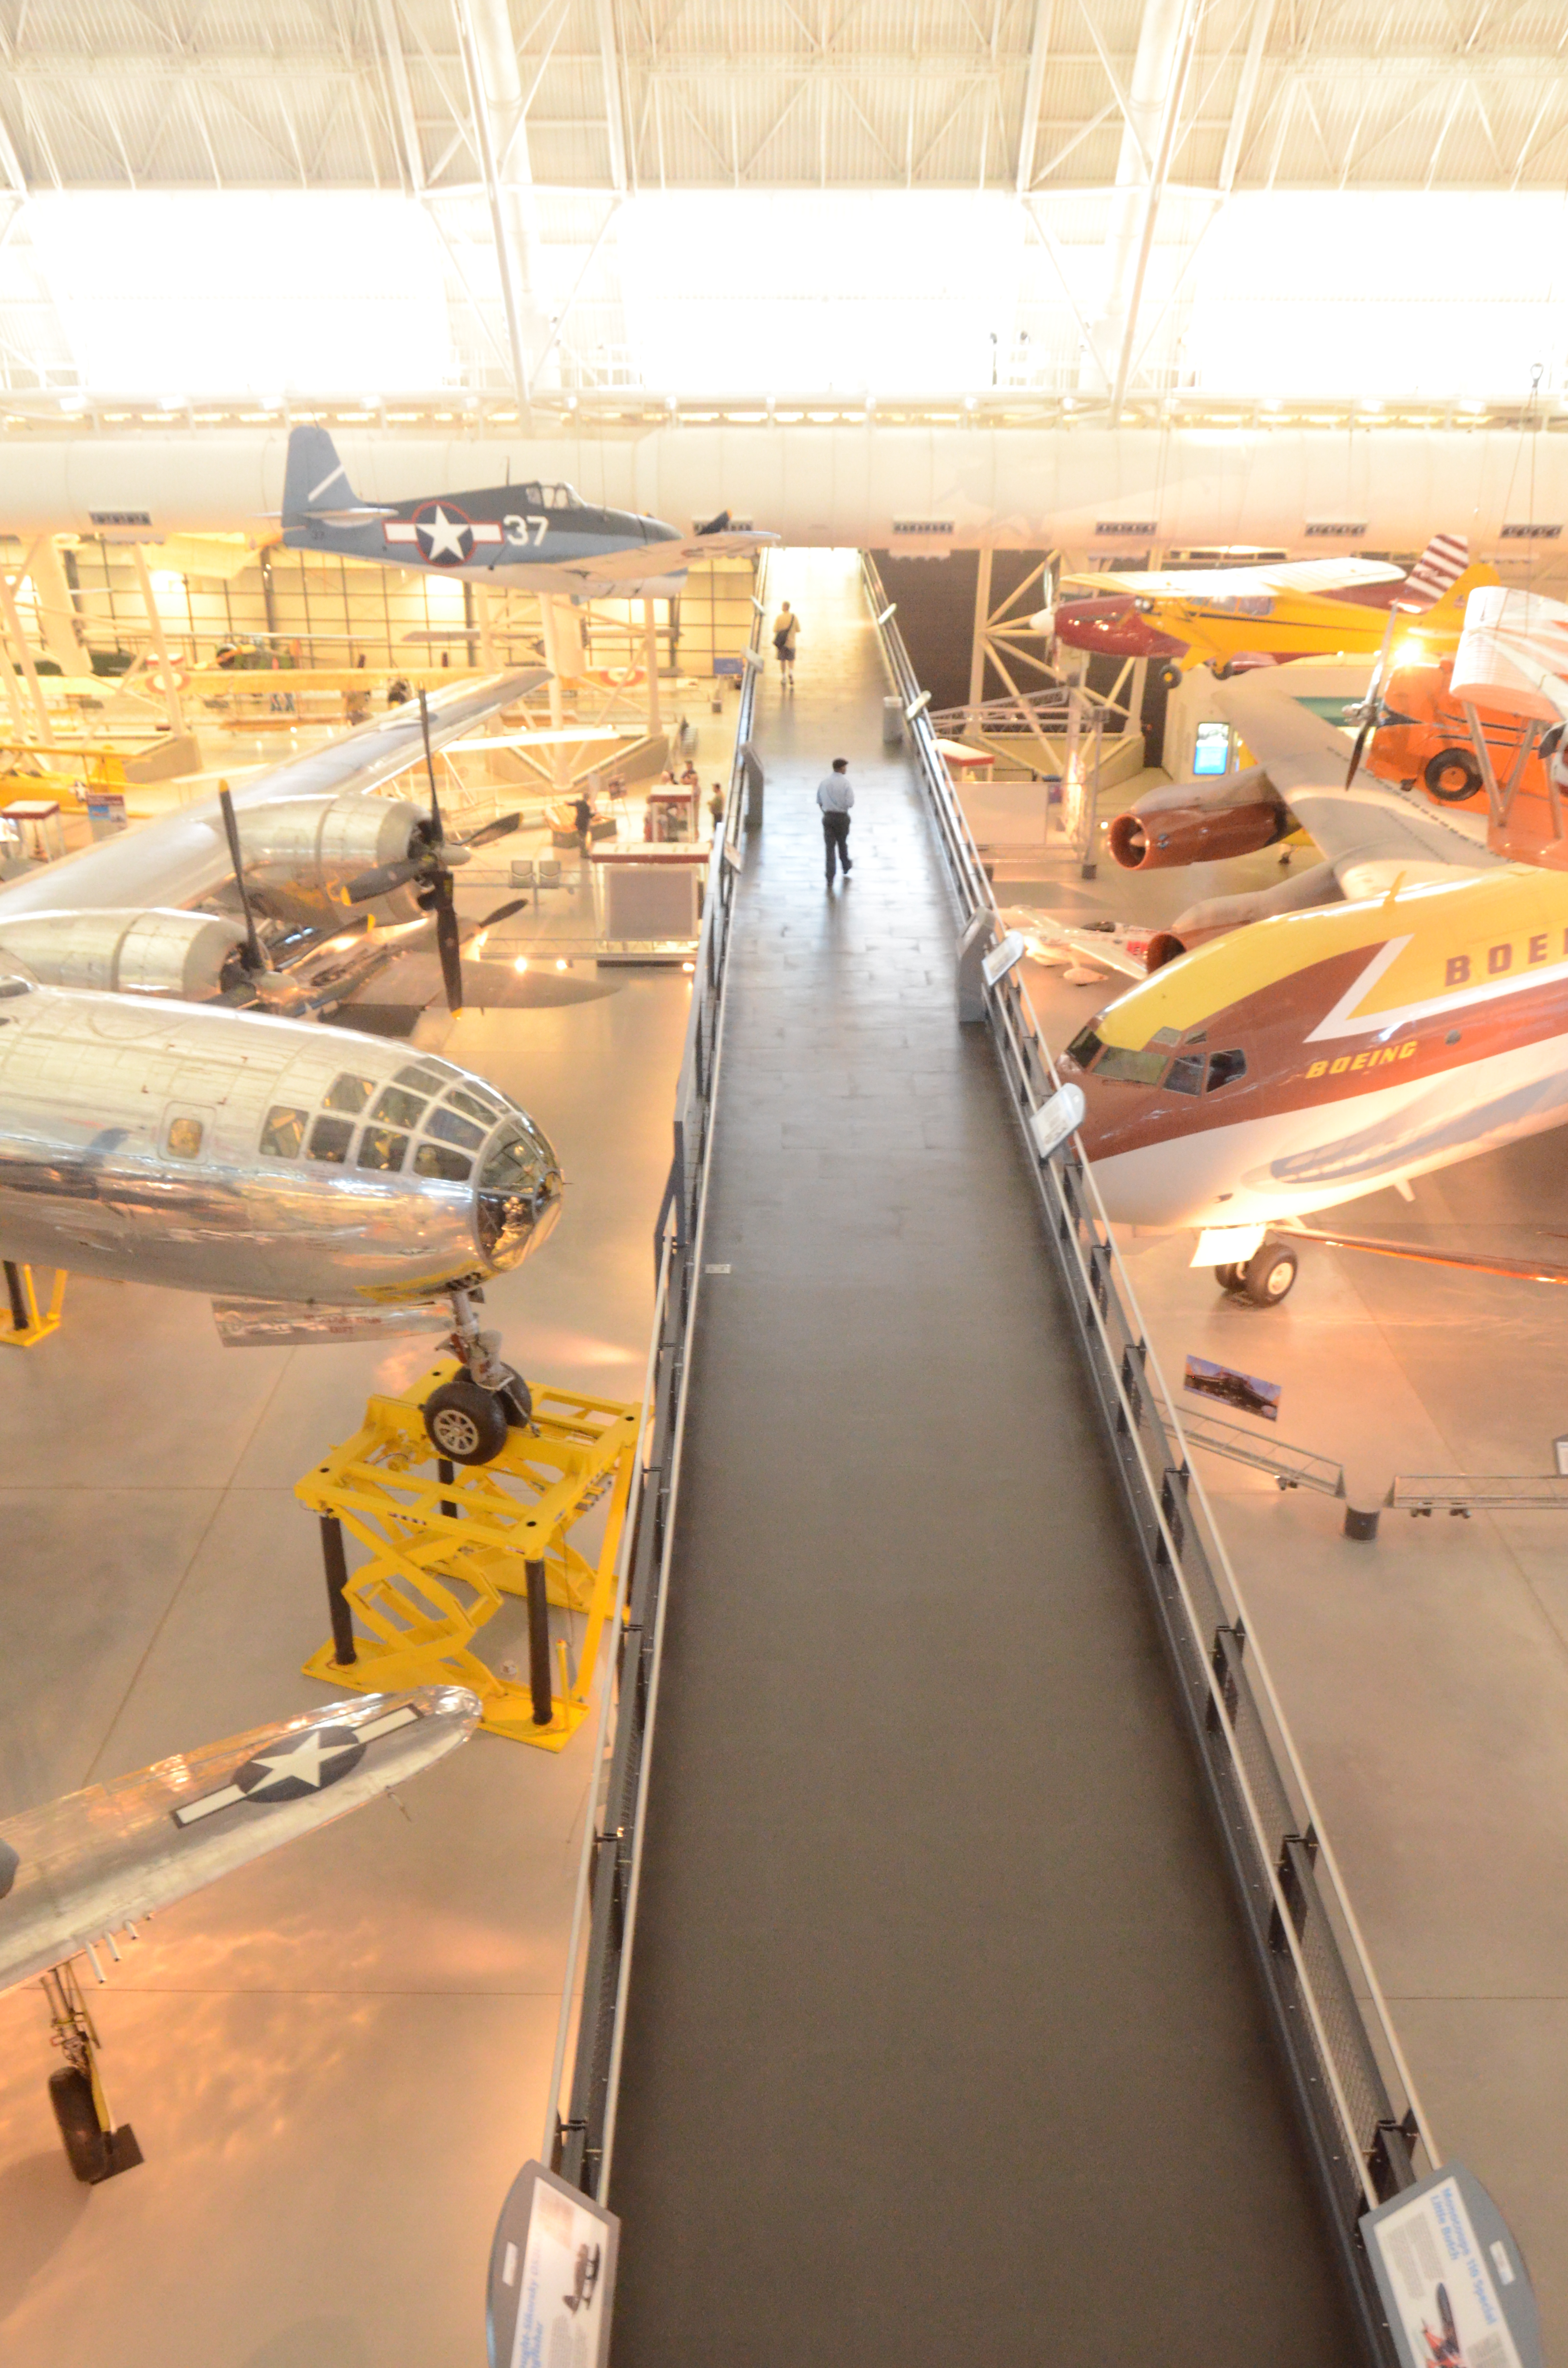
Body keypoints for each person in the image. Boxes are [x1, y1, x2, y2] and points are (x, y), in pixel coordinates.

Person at [816, 758, 854, 886]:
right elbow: (851, 803)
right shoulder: (846, 784)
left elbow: (819, 801)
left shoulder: (824, 783)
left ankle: (830, 875)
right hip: (842, 818)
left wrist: (827, 811)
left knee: (830, 847)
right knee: (842, 843)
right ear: (842, 768)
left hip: (828, 818)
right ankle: (846, 865)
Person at [773, 601, 799, 690]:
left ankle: (784, 677)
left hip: (782, 644)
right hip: (791, 643)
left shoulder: (779, 618)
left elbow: (775, 629)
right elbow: (799, 629)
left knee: (783, 660)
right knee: (791, 660)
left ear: (783, 607)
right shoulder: (794, 617)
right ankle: (791, 672)